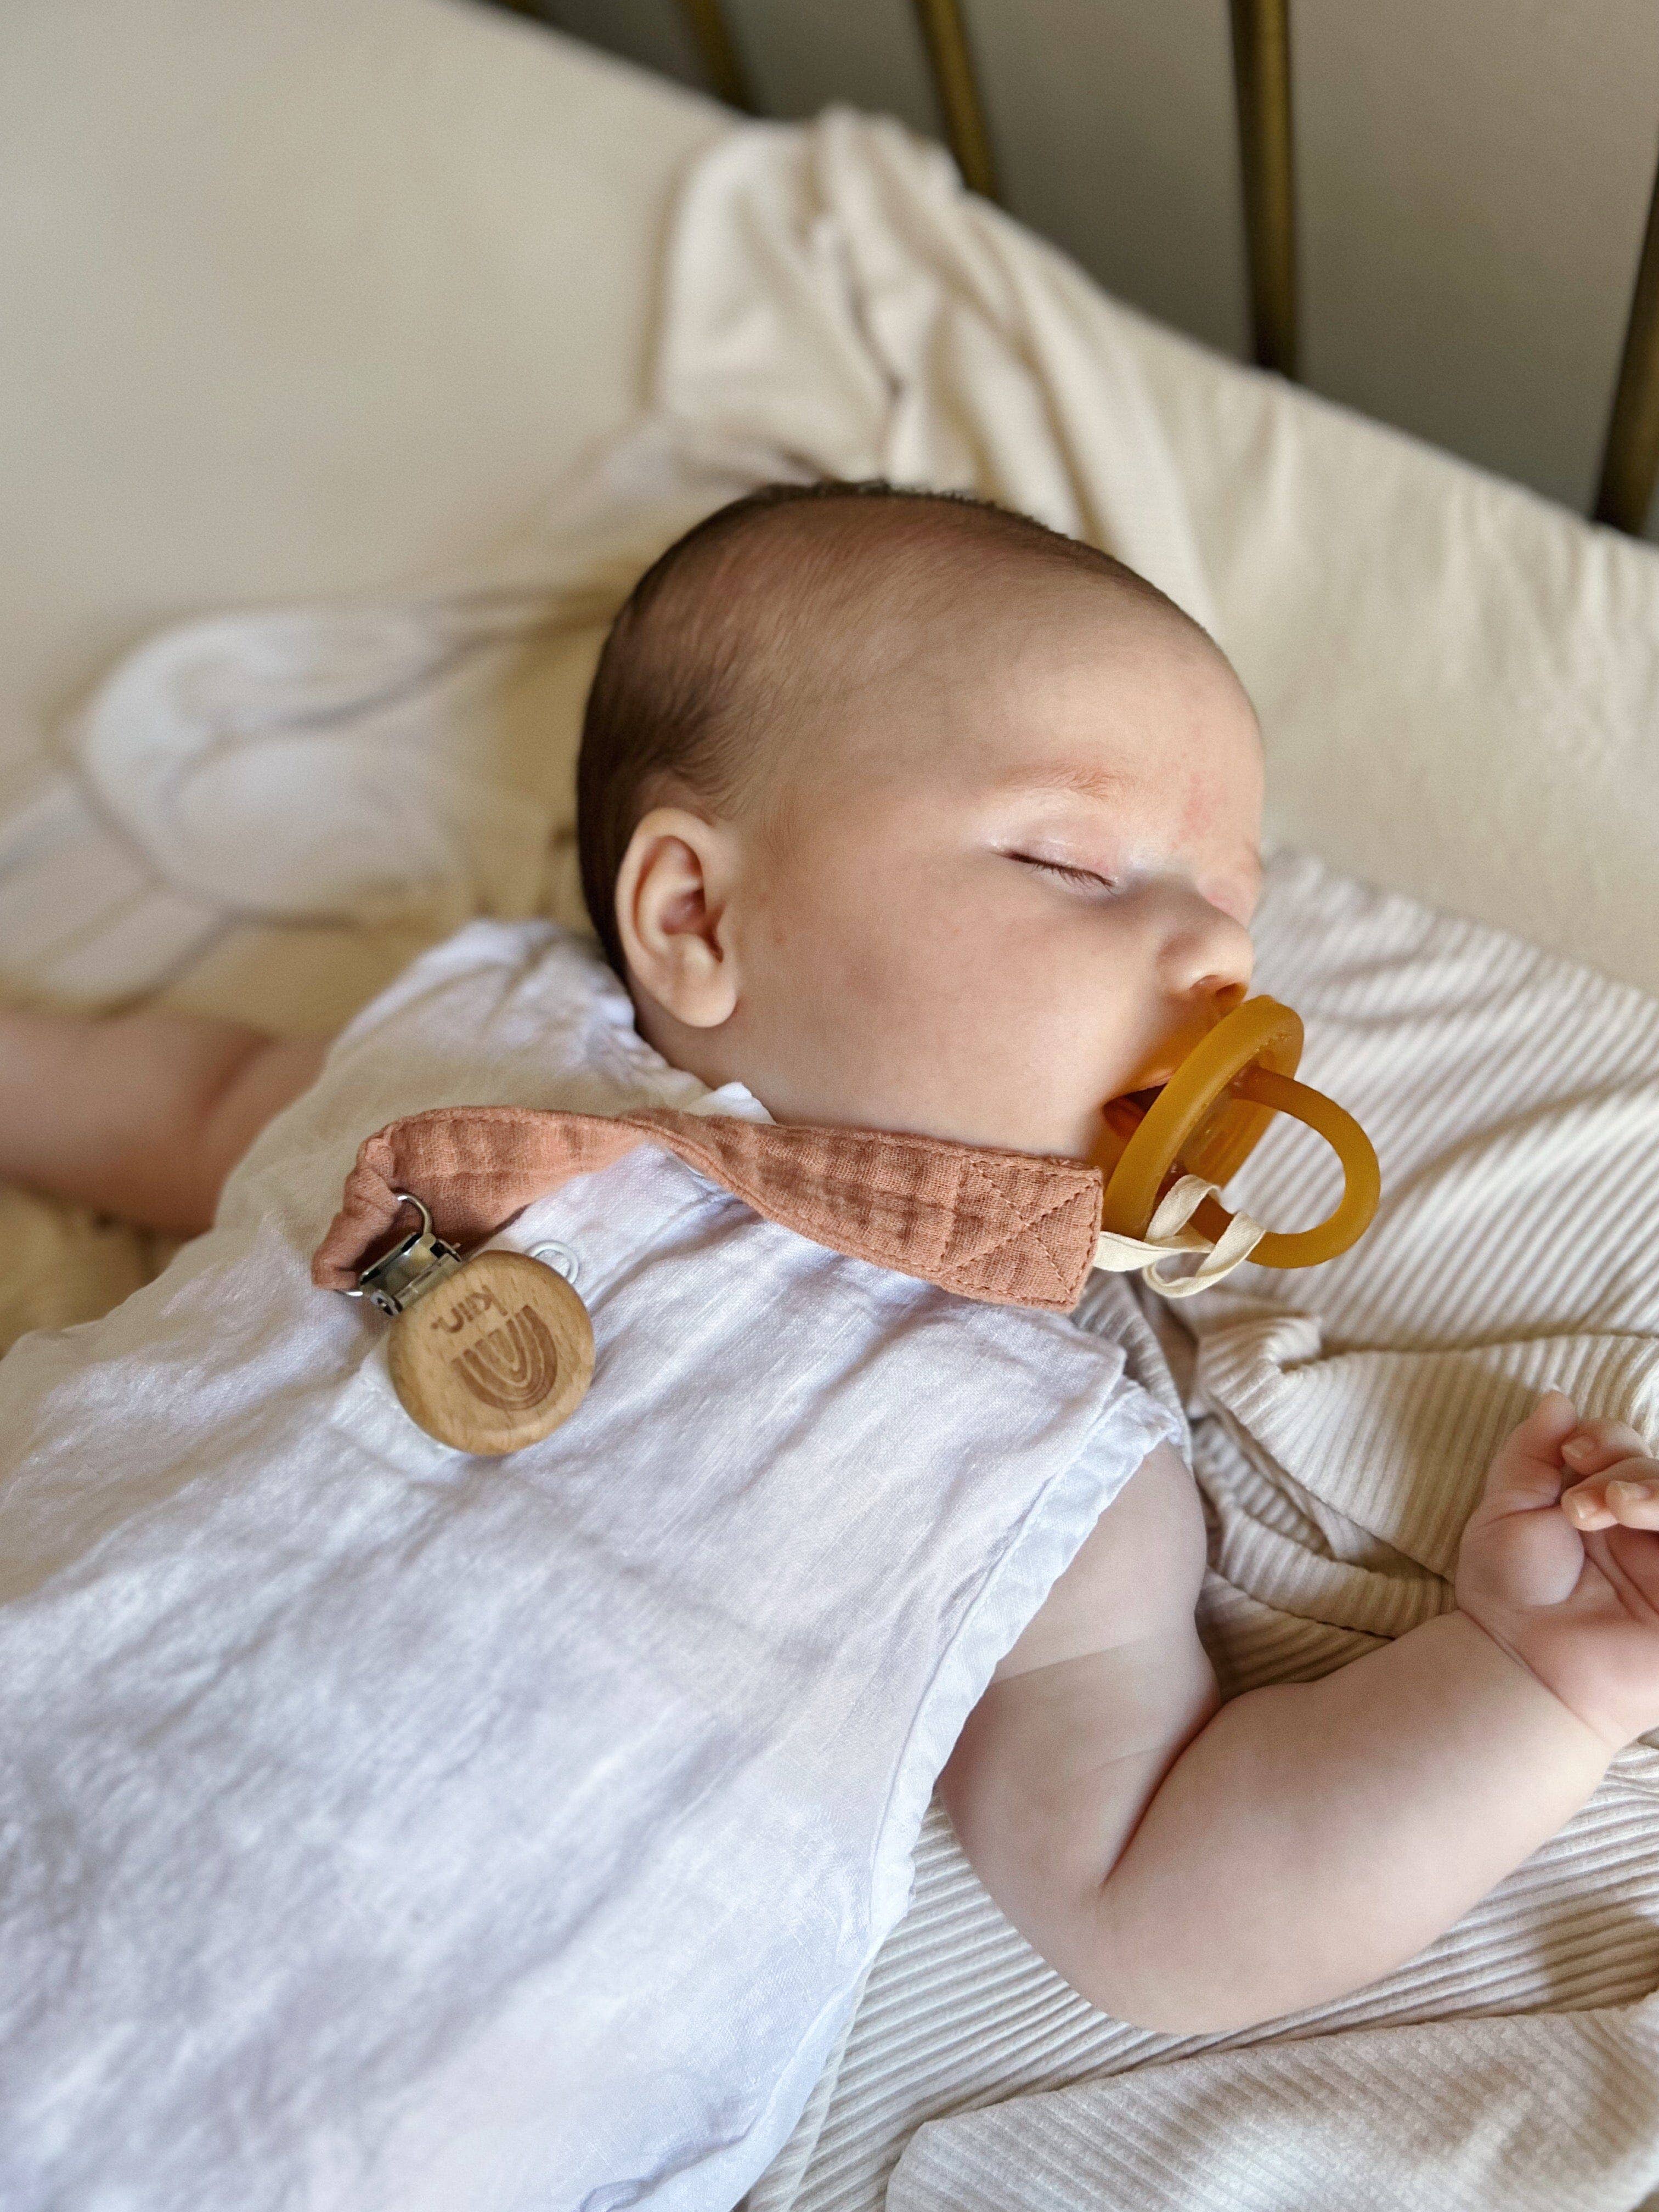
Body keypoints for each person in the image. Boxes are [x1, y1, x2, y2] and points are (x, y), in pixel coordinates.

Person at [1, 484, 1655, 2157]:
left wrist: (1529, 1686)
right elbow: (196, 1100)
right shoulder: (472, 1048)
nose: (1219, 951)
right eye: (1073, 860)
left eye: (1236, 909)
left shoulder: (1038, 1436)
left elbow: (1150, 1886)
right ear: (697, 918)